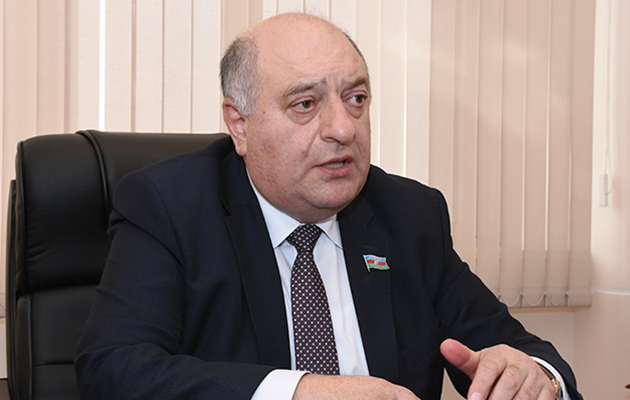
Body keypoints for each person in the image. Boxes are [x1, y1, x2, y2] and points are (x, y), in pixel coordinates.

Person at [75, 12, 582, 400]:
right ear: (239, 124)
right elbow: (114, 367)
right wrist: (300, 391)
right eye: (305, 104)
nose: (343, 128)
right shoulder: (170, 205)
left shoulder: (410, 214)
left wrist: (535, 377)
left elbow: (523, 353)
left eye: (356, 98)